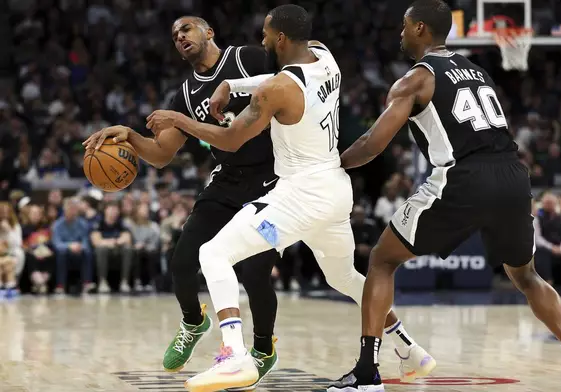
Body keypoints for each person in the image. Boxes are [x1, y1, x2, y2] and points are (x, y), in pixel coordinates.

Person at [329, 1, 561, 392]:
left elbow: (373, 144)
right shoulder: (476, 70)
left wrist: (334, 165)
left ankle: (367, 373)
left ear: (420, 29)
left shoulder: (414, 80)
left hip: (464, 177)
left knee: (382, 260)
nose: (400, 33)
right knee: (526, 275)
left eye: (404, 26)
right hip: (512, 174)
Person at [145, 5, 434, 391]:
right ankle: (409, 349)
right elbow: (277, 78)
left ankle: (234, 356)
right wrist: (234, 85)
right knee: (344, 276)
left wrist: (180, 119)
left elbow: (231, 139)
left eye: (266, 35)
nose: (262, 41)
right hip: (335, 188)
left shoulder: (277, 90)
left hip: (300, 194)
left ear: (280, 38)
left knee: (213, 254)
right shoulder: (325, 57)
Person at [83, 15, 281, 386]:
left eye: (186, 29)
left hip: (272, 183)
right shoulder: (186, 94)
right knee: (181, 264)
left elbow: (291, 81)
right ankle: (194, 321)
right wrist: (129, 135)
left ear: (209, 31)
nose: (180, 37)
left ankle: (262, 348)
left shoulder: (248, 59)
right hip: (226, 182)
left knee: (255, 275)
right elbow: (161, 155)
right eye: (174, 35)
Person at [51, 198, 94, 295]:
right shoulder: (57, 225)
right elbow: (56, 243)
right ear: (65, 210)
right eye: (70, 209)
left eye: (74, 209)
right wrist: (69, 246)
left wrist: (80, 247)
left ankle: (87, 284)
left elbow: (85, 240)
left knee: (87, 252)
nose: (72, 211)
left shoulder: (83, 223)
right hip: (65, 251)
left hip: (79, 252)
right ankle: (60, 286)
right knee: (61, 253)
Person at [91, 202, 134, 293]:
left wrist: (115, 242)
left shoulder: (122, 222)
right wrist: (109, 242)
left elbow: (127, 238)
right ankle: (102, 282)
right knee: (101, 249)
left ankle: (124, 282)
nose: (113, 212)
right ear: (105, 210)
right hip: (104, 250)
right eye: (111, 209)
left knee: (128, 248)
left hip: (117, 249)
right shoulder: (99, 223)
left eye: (115, 210)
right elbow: (96, 241)